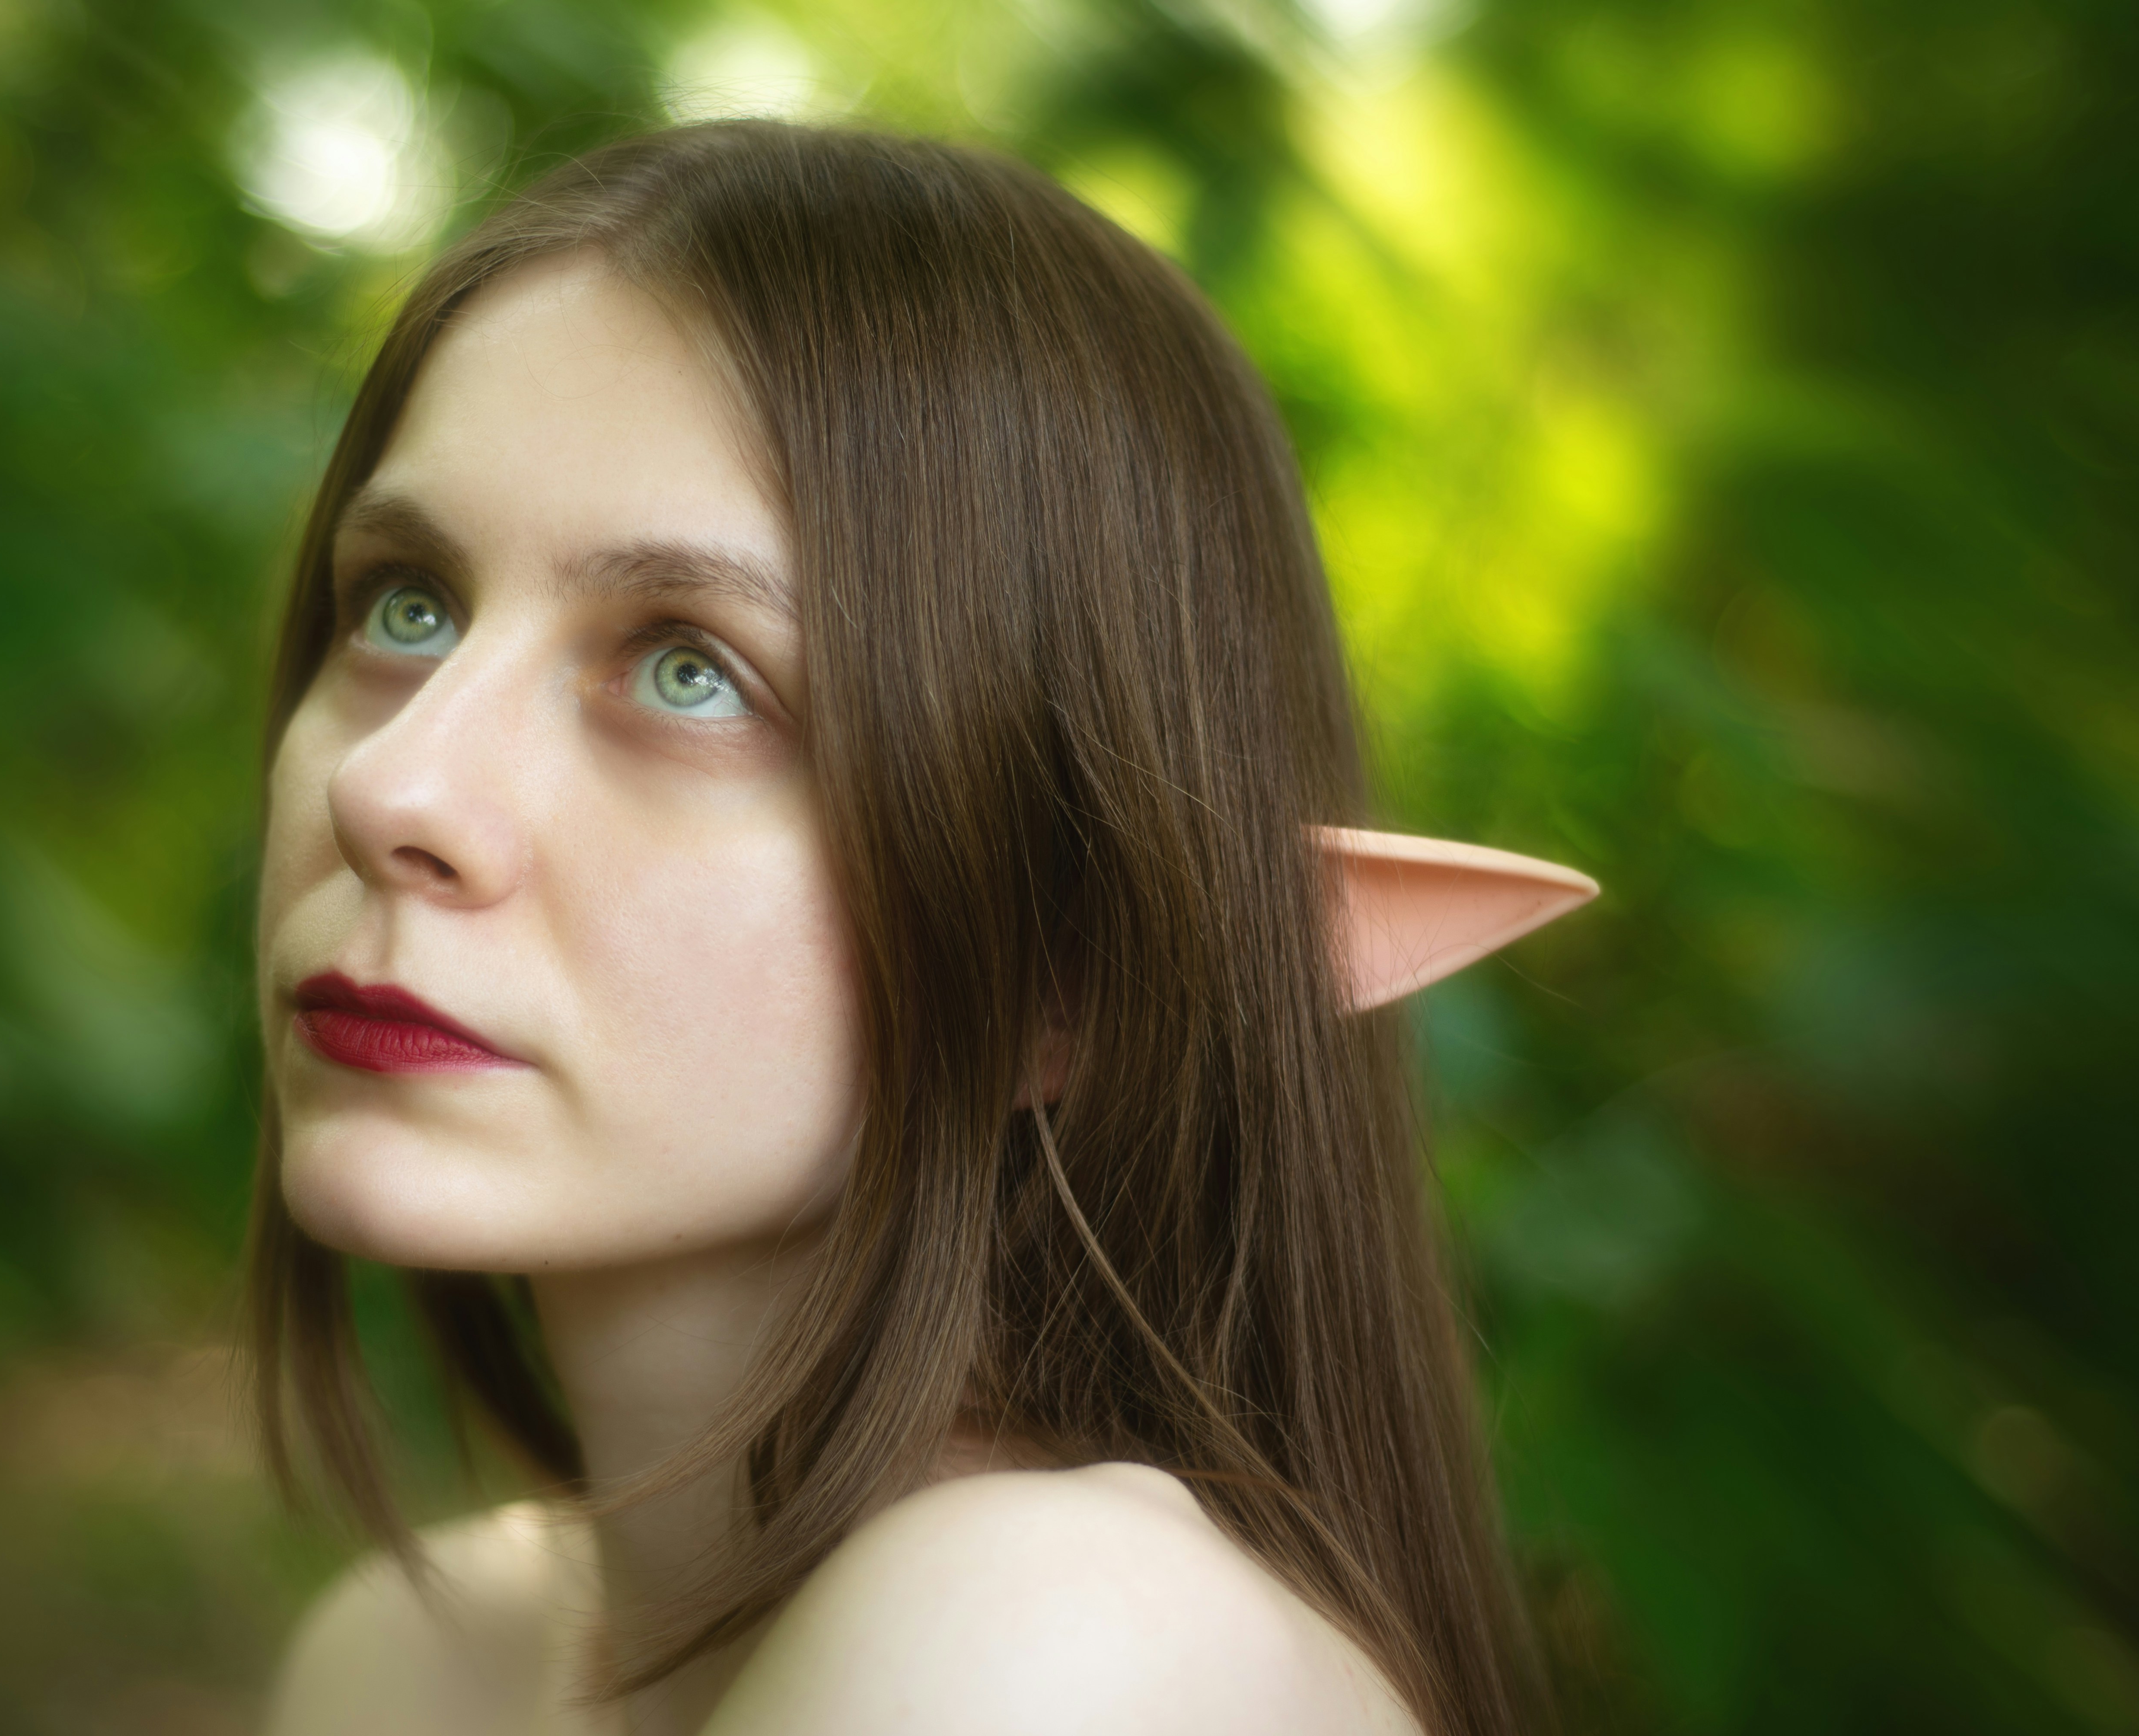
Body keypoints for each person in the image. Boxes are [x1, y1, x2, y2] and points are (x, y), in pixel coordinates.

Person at [247, 120, 1596, 1736]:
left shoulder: (1069, 1643)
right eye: (409, 606)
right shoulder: (400, 1664)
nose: (395, 785)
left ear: (1066, 973)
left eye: (691, 668)